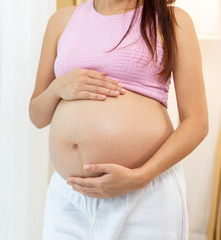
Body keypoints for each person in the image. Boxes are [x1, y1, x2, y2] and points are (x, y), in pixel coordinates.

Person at [28, 0, 209, 239]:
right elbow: (37, 116)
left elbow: (196, 121)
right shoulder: (61, 21)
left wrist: (142, 176)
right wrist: (57, 88)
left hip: (144, 194)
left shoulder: (172, 21)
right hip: (70, 197)